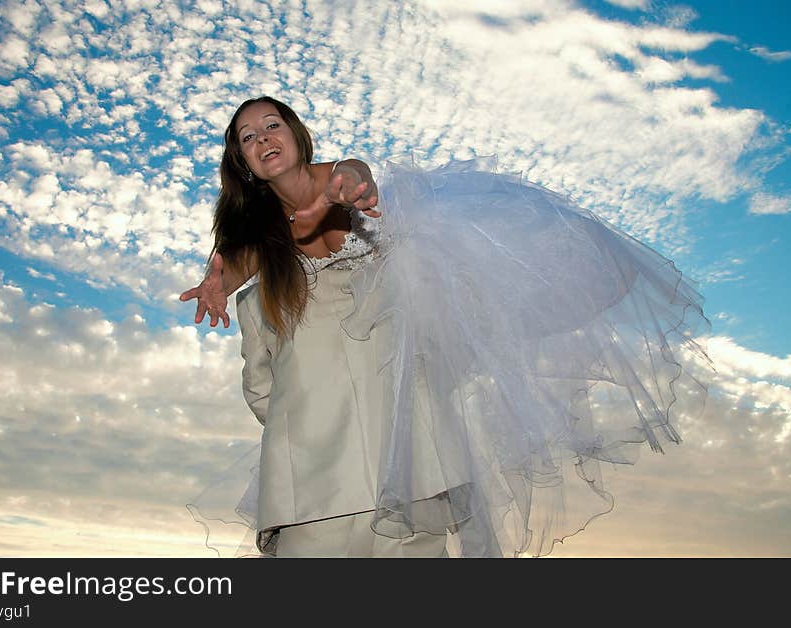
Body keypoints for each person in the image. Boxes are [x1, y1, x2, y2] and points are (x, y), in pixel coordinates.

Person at [181, 96, 713, 558]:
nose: (262, 138)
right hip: (313, 484)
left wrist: (354, 186)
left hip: (415, 469)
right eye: (248, 137)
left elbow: (354, 173)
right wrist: (218, 276)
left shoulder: (351, 189)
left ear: (296, 134)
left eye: (272, 124)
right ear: (245, 163)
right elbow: (259, 372)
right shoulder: (259, 249)